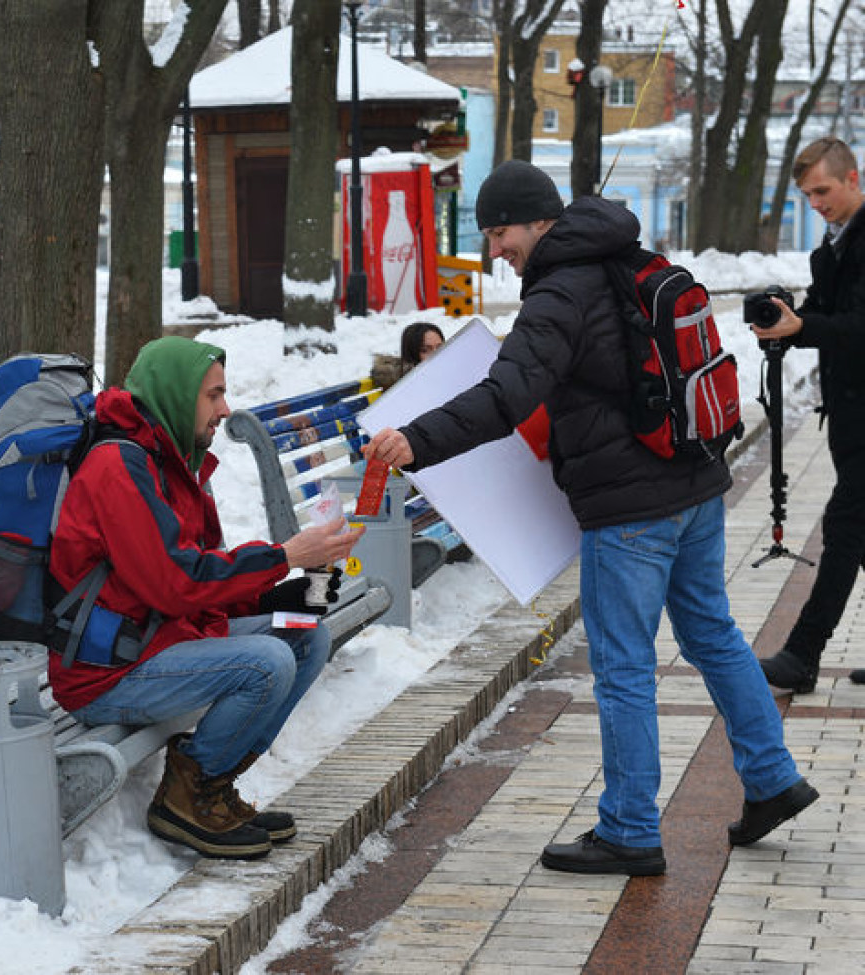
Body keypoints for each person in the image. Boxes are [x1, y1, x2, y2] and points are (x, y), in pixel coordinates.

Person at [363, 159, 817, 876]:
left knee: (625, 666)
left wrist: (418, 437)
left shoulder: (559, 293)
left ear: (537, 221)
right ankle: (771, 777)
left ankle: (630, 828)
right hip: (694, 486)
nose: (496, 250)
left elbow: (506, 395)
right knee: (715, 635)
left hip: (632, 509)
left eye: (500, 231)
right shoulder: (628, 257)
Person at [48, 336, 364, 860]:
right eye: (214, 396)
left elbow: (191, 582)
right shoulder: (118, 469)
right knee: (264, 663)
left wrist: (275, 593)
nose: (225, 409)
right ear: (176, 394)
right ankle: (185, 798)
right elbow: (175, 582)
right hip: (104, 671)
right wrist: (283, 557)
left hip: (156, 642)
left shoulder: (166, 462)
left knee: (305, 636)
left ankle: (211, 788)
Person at [754, 137, 865, 694]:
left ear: (853, 179)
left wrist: (807, 327)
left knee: (845, 529)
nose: (815, 202)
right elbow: (829, 315)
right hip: (852, 416)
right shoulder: (833, 248)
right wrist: (787, 321)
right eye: (807, 195)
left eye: (822, 190)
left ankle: (803, 654)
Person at [371, 321, 445, 390]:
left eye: (440, 347)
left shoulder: (449, 374)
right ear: (411, 354)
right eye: (425, 350)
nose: (436, 354)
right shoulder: (403, 387)